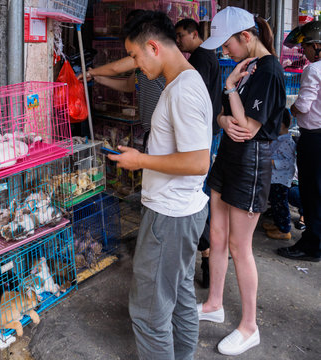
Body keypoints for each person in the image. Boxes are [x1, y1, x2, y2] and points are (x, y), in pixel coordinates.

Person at [108, 10, 212, 359]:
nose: (136, 65)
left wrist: (140, 161)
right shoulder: (182, 82)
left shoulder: (183, 90)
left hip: (171, 217)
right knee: (179, 294)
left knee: (149, 314)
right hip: (181, 213)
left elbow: (199, 162)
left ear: (153, 46)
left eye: (136, 56)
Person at [196, 7, 286, 356]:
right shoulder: (247, 66)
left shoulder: (269, 71)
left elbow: (248, 128)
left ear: (246, 37)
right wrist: (221, 118)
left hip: (251, 164)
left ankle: (250, 326)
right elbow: (225, 115)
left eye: (228, 44)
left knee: (239, 247)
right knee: (216, 236)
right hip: (227, 160)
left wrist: (231, 88)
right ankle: (214, 303)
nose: (224, 51)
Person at [175, 18, 223, 288]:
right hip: (207, 134)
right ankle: (206, 255)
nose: (179, 40)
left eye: (182, 35)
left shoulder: (202, 60)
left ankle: (206, 255)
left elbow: (193, 100)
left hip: (202, 136)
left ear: (195, 34)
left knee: (198, 195)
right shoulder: (205, 57)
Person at [277, 21, 321, 262]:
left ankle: (312, 246)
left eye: (305, 48)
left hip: (314, 140)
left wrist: (290, 111)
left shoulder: (314, 70)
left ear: (316, 46)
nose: (303, 52)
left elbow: (303, 106)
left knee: (311, 193)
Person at [262, 109, 296, 240]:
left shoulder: (287, 142)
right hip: (274, 178)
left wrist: (272, 162)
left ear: (280, 125)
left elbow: (289, 163)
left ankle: (284, 230)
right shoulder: (278, 139)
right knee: (275, 205)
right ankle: (278, 225)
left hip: (280, 180)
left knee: (280, 205)